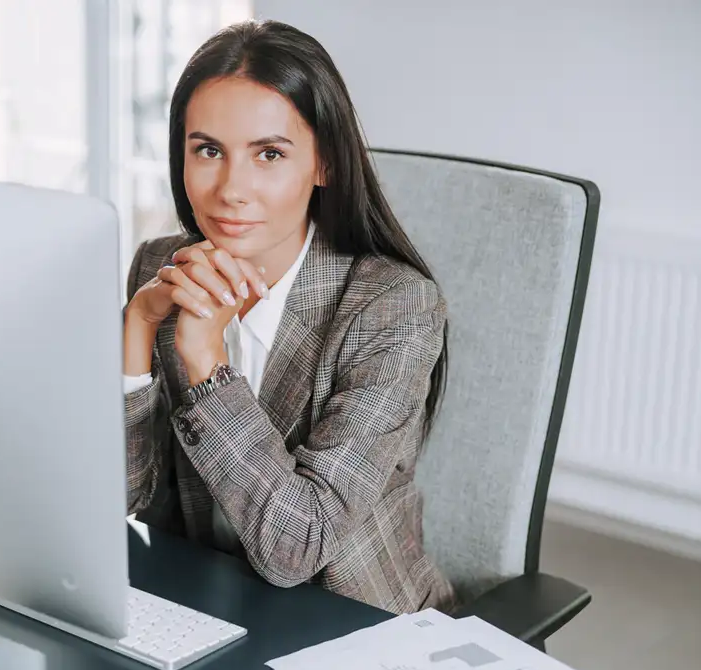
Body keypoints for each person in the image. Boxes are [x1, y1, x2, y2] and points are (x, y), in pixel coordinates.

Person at [121, 19, 454, 614]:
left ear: (323, 164)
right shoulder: (161, 267)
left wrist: (207, 364)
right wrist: (136, 330)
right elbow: (119, 495)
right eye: (208, 151)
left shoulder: (393, 307)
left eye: (268, 154)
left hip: (350, 625)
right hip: (206, 602)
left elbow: (296, 548)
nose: (231, 188)